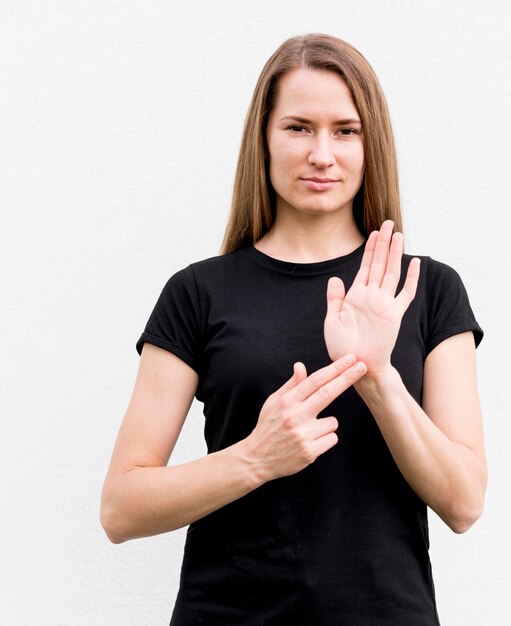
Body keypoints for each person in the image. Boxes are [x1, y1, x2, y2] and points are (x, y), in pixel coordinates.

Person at [100, 33, 486, 625]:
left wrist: (378, 378)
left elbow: (463, 502)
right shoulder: (198, 293)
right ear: (264, 139)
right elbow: (121, 508)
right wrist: (255, 457)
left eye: (345, 130)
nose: (322, 153)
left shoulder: (426, 290)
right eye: (298, 127)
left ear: (370, 143)